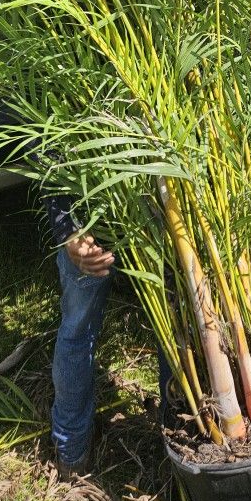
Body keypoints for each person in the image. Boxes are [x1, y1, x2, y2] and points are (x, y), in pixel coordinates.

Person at [45, 194, 170, 477]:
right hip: (89, 211)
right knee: (79, 331)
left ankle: (179, 436)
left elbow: (45, 153)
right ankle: (71, 451)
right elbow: (47, 154)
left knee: (172, 325)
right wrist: (69, 230)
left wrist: (67, 227)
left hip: (154, 209)